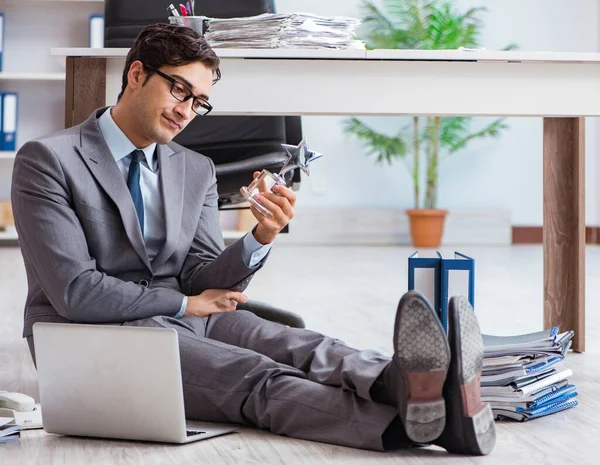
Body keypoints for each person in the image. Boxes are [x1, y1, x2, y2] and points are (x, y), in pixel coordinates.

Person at [11, 23, 495, 454]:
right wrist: (184, 305)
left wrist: (261, 235)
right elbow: (75, 293)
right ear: (136, 74)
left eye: (198, 102)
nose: (187, 112)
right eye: (179, 90)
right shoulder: (50, 160)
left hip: (188, 315)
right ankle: (433, 424)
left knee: (303, 346)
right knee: (256, 378)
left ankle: (409, 383)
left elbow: (201, 274)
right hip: (95, 336)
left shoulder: (193, 168)